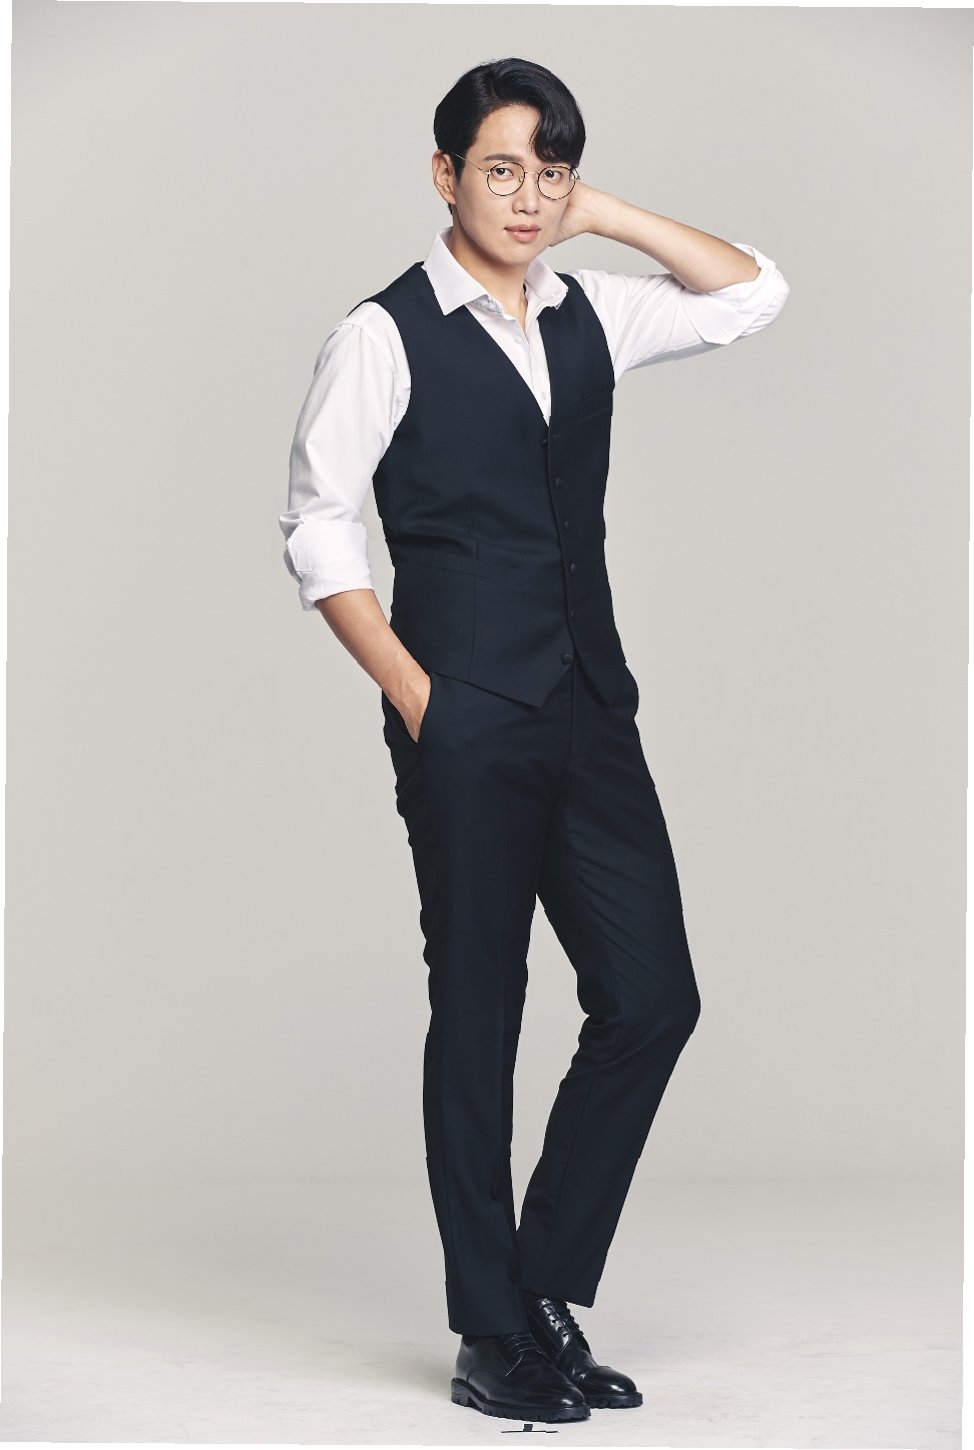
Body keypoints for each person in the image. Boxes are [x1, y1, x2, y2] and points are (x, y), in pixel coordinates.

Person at [279, 57, 789, 1425]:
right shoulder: (383, 334)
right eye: (500, 168)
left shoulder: (588, 312)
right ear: (443, 174)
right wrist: (414, 691)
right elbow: (319, 525)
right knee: (481, 1009)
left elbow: (750, 294)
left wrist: (600, 212)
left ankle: (543, 1287)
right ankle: (489, 1330)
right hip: (462, 714)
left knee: (651, 995)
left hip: (588, 708)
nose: (525, 195)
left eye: (547, 172)